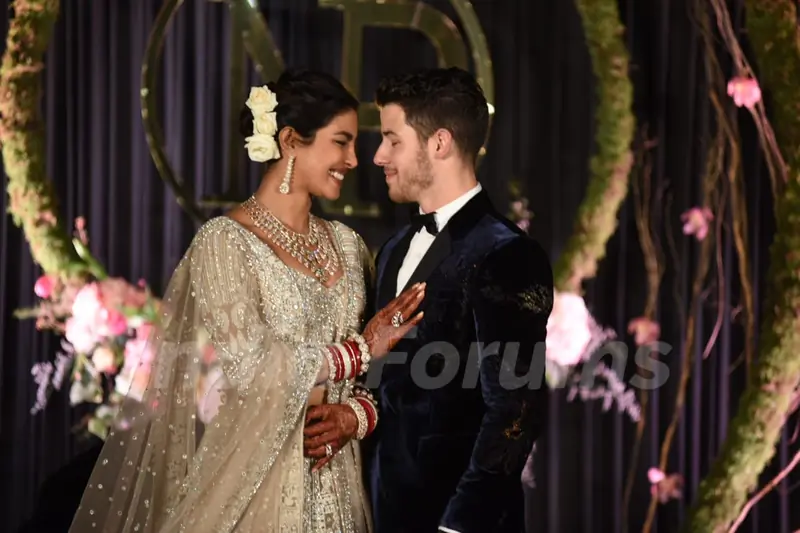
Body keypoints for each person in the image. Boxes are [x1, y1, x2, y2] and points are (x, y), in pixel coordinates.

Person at [68, 69, 425, 533]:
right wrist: (358, 350)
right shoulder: (225, 243)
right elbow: (251, 366)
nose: (354, 160)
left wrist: (357, 415)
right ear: (292, 140)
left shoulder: (349, 245)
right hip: (257, 483)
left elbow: (381, 375)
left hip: (340, 486)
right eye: (341, 142)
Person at [305, 67, 554, 533]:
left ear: (439, 143)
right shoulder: (396, 247)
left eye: (393, 140)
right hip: (382, 512)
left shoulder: (509, 254)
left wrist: (459, 525)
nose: (377, 156)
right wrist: (352, 415)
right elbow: (394, 386)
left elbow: (516, 410)